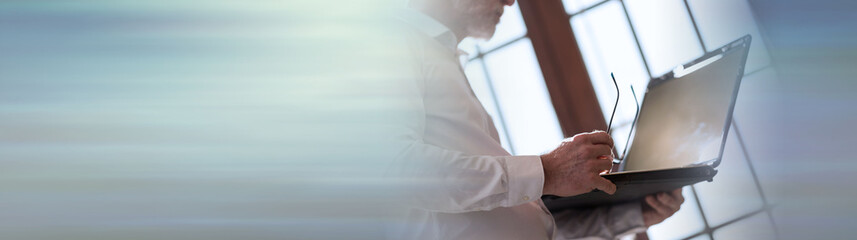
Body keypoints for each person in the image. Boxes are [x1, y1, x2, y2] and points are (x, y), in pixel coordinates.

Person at [392, 0, 684, 239]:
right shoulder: (388, 44)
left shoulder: (439, 56)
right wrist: (546, 171)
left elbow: (505, 220)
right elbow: (395, 172)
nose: (511, 2)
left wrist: (632, 216)